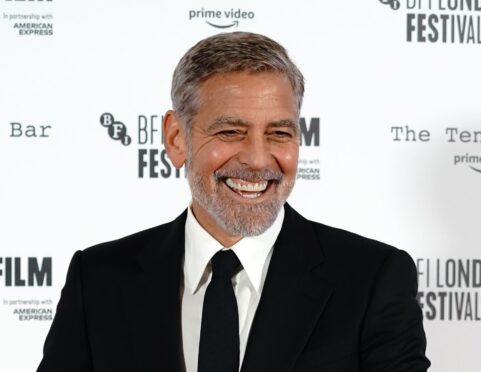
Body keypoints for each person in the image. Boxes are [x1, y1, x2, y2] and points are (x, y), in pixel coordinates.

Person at [37, 32, 430, 372]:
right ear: (177, 138)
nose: (258, 160)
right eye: (230, 131)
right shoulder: (99, 280)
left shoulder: (371, 278)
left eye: (279, 133)